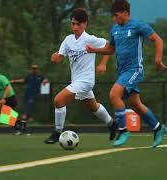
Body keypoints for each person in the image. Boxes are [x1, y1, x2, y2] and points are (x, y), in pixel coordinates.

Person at [86, 0, 167, 147]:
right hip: (123, 72)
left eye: (116, 15)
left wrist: (158, 59)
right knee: (135, 104)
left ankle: (123, 131)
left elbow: (158, 40)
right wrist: (94, 50)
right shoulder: (115, 29)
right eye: (113, 16)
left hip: (135, 69)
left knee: (114, 94)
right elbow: (111, 49)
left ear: (125, 12)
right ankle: (158, 127)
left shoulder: (138, 25)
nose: (114, 19)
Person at [44, 8, 118, 144]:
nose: (75, 27)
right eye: (73, 24)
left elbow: (110, 47)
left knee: (58, 100)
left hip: (87, 80)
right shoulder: (68, 40)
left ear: (85, 24)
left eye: (78, 24)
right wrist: (55, 58)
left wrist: (103, 63)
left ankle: (57, 132)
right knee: (93, 106)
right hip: (76, 80)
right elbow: (60, 57)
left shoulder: (90, 39)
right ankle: (111, 124)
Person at [0, 67, 26, 135]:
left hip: (10, 98)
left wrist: (4, 99)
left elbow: (8, 88)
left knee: (6, 118)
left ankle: (20, 127)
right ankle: (21, 124)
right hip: (8, 98)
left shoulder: (2, 78)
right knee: (7, 118)